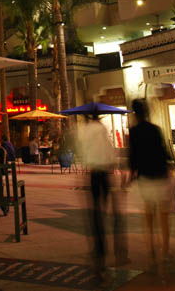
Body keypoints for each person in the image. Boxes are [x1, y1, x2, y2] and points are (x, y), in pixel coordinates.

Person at [78, 115, 128, 277]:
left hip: (94, 173)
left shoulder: (86, 130)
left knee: (96, 211)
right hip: (105, 173)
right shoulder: (101, 129)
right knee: (110, 211)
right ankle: (118, 249)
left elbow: (84, 151)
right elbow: (109, 151)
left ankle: (99, 248)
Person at [128, 98, 173, 272]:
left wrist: (131, 175)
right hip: (161, 176)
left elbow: (133, 157)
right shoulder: (155, 130)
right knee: (164, 217)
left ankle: (152, 252)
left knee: (148, 217)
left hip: (145, 178)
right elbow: (164, 152)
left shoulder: (134, 132)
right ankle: (166, 251)